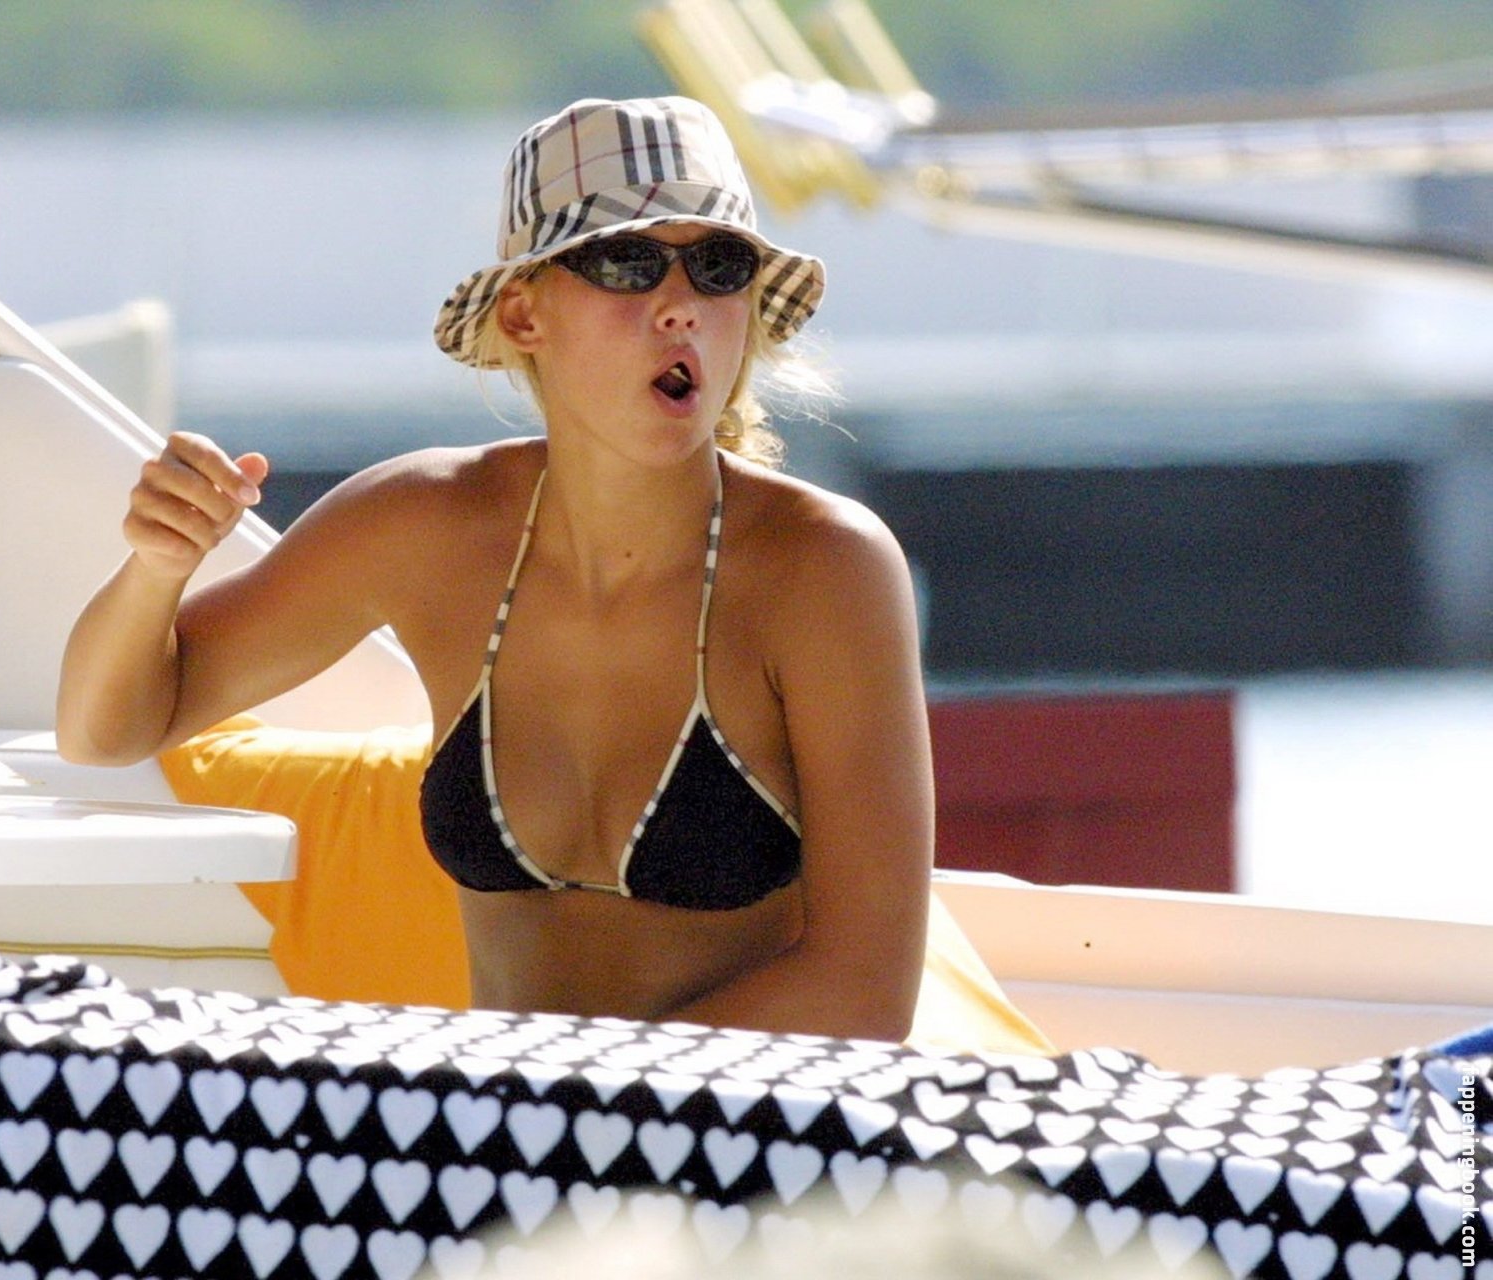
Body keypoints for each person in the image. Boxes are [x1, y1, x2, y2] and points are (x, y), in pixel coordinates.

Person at [57, 96, 933, 1042]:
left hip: (735, 1121)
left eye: (718, 267)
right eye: (627, 263)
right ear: (523, 314)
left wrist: (567, 1093)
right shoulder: (424, 524)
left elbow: (866, 994)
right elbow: (104, 732)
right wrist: (158, 567)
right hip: (512, 1116)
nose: (681, 305)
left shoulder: (823, 567)